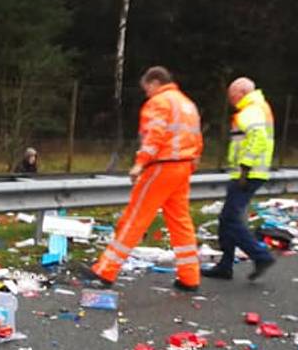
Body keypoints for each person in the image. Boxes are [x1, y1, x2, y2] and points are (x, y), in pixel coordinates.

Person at [83, 66, 204, 291]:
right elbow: (196, 137)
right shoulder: (187, 104)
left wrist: (140, 162)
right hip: (183, 166)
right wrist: (193, 159)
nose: (146, 93)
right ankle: (190, 277)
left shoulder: (159, 102)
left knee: (135, 218)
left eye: (147, 88)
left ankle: (105, 271)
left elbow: (154, 135)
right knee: (181, 223)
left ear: (155, 82)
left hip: (161, 166)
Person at [203, 77, 276, 281]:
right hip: (250, 172)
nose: (230, 99)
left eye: (231, 94)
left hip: (248, 174)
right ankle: (225, 265)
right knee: (228, 220)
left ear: (241, 92)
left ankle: (260, 256)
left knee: (231, 219)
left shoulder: (251, 110)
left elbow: (258, 138)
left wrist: (245, 165)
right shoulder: (258, 107)